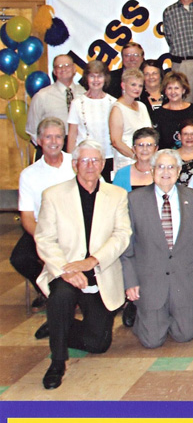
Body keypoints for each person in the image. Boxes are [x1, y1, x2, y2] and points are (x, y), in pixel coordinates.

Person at [34, 140, 129, 390]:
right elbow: (44, 238)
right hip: (64, 269)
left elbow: (121, 235)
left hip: (100, 270)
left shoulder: (117, 195)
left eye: (95, 160)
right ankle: (57, 362)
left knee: (98, 343)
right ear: (75, 164)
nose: (90, 166)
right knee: (61, 298)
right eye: (84, 161)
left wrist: (92, 261)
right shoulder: (53, 195)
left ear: (102, 164)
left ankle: (58, 325)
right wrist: (67, 270)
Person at [121, 148, 193, 348]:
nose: (166, 171)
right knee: (152, 341)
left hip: (183, 281)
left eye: (171, 167)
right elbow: (127, 248)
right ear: (152, 170)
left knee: (185, 335)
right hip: (150, 282)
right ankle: (143, 316)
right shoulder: (134, 201)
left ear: (179, 171)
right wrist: (130, 282)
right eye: (160, 166)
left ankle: (168, 316)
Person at [11, 118, 75, 309]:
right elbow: (28, 217)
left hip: (76, 227)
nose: (53, 141)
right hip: (43, 229)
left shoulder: (76, 163)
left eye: (57, 136)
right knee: (20, 258)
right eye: (48, 137)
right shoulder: (29, 175)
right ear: (39, 141)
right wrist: (46, 238)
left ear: (64, 140)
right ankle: (48, 290)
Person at [66, 60, 117, 178]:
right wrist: (70, 162)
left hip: (108, 156)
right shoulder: (77, 103)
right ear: (86, 78)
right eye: (92, 76)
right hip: (85, 158)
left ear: (105, 78)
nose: (96, 80)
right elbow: (72, 135)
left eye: (99, 76)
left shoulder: (114, 102)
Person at [26, 54, 83, 151]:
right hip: (53, 148)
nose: (63, 69)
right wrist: (48, 151)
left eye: (67, 65)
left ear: (74, 69)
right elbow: (32, 130)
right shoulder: (41, 96)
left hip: (81, 147)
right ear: (54, 71)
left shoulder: (84, 94)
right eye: (59, 66)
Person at [108, 68, 153, 172]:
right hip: (127, 161)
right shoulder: (117, 109)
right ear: (123, 85)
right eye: (133, 85)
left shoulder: (142, 106)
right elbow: (116, 142)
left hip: (146, 160)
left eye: (140, 85)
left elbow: (150, 134)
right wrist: (136, 157)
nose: (137, 88)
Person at [152, 72, 193, 150]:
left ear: (183, 90)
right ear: (165, 91)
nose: (173, 92)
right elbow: (156, 142)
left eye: (176, 88)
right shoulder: (158, 113)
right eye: (169, 88)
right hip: (168, 158)